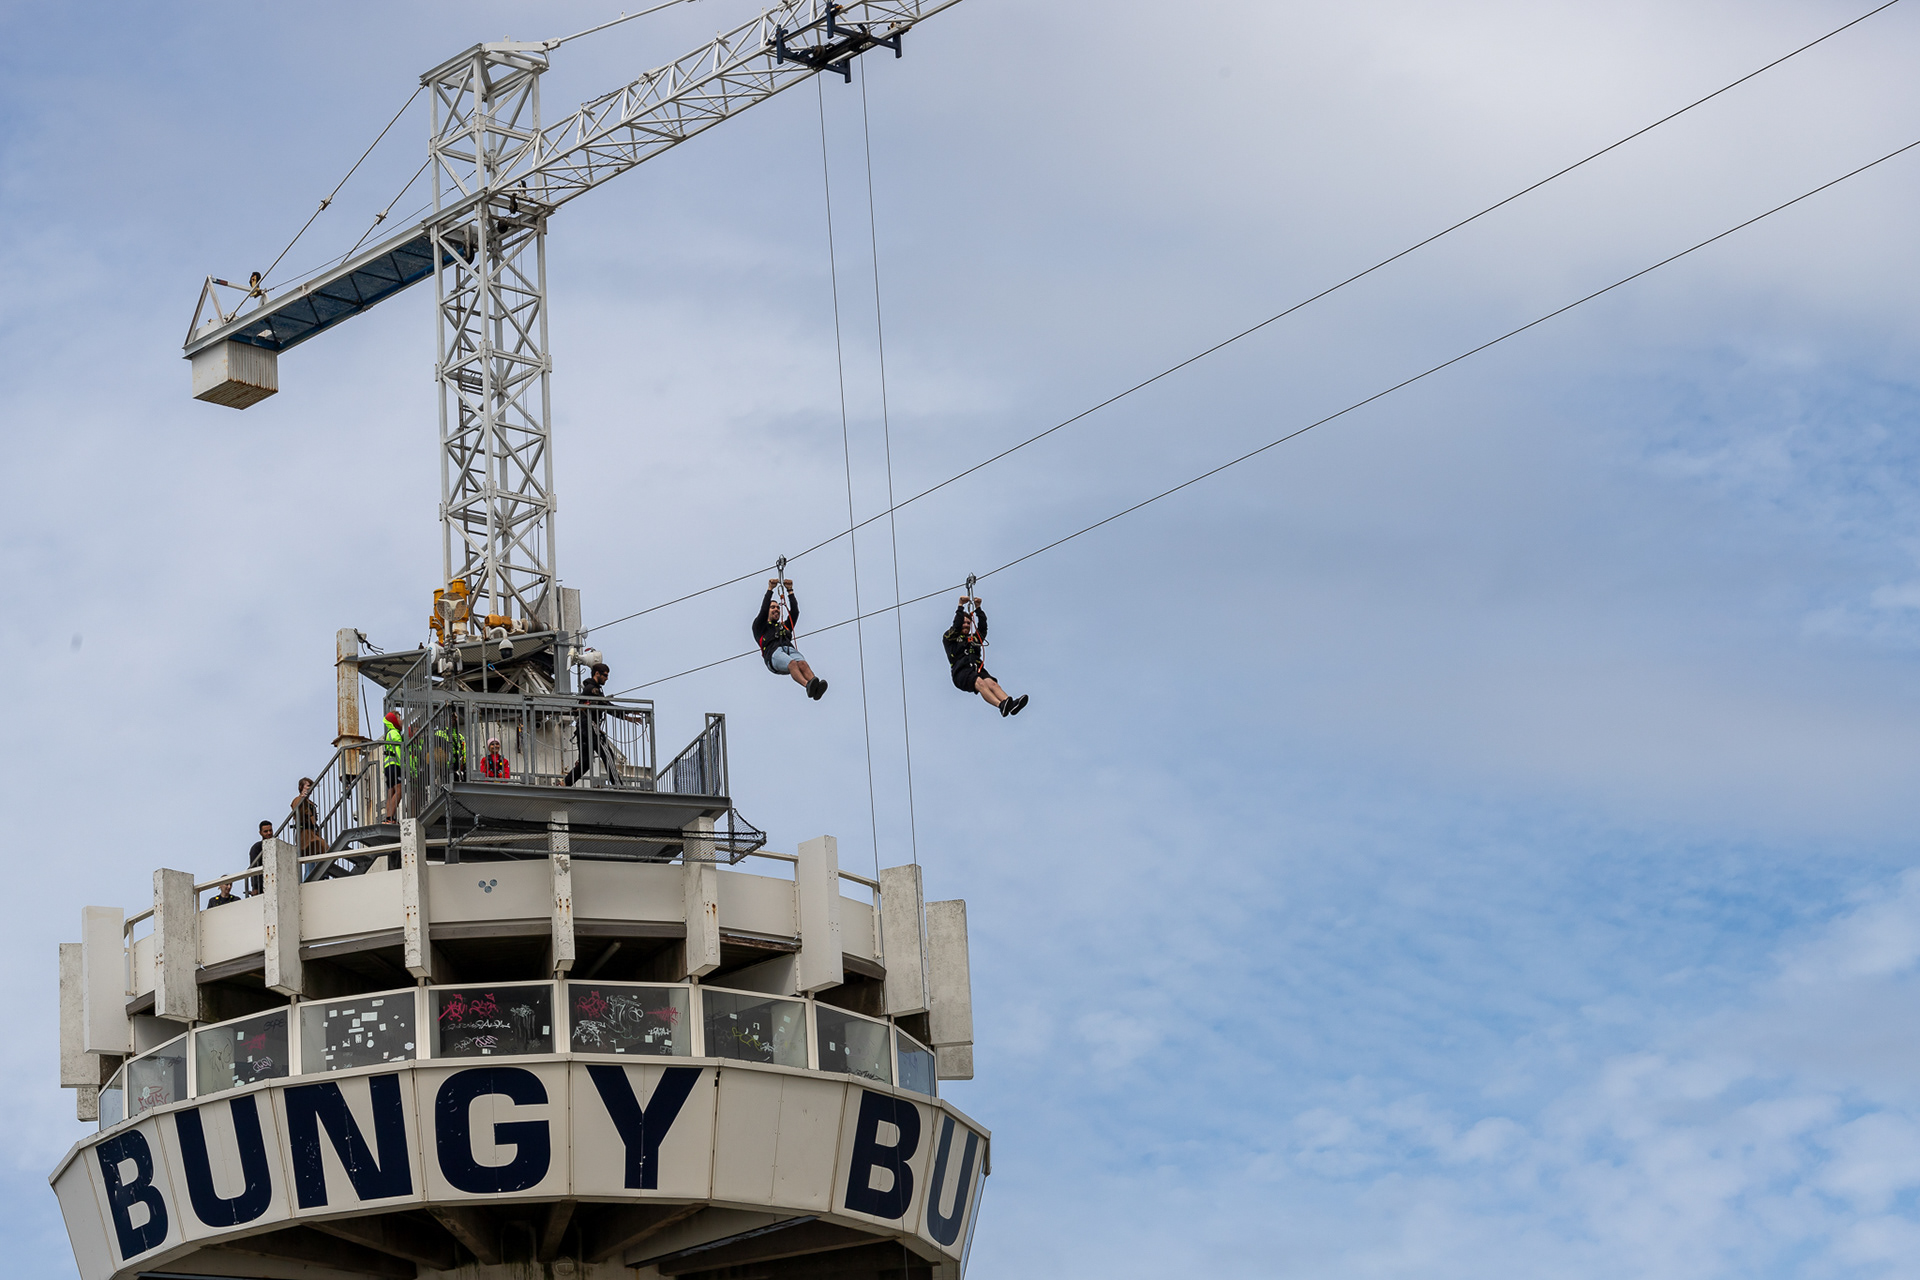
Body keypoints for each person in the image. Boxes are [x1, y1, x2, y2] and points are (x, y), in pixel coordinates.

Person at [945, 595, 1027, 717]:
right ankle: (1000, 706)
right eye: (964, 623)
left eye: (968, 623)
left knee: (992, 684)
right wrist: (960, 606)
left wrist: (978, 608)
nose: (966, 625)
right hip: (961, 672)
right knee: (981, 683)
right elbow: (956, 626)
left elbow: (983, 628)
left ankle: (1009, 704)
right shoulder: (950, 637)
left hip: (976, 668)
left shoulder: (973, 639)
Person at [567, 661, 644, 786]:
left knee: (585, 763)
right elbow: (606, 706)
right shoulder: (593, 690)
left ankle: (565, 783)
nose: (607, 678)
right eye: (605, 675)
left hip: (582, 728)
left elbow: (604, 706)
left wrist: (626, 716)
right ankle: (618, 785)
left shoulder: (589, 689)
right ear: (597, 674)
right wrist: (629, 711)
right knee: (608, 755)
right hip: (590, 727)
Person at [753, 579, 826, 700]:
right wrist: (770, 589)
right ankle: (807, 685)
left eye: (777, 607)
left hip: (788, 649)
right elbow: (763, 610)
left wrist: (790, 591)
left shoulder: (785, 626)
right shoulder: (760, 627)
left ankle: (815, 685)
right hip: (773, 654)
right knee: (792, 663)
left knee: (802, 663)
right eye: (773, 608)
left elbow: (795, 612)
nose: (776, 609)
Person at [381, 710, 405, 822]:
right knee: (399, 790)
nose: (401, 721)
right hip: (394, 765)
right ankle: (390, 817)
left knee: (391, 792)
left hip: (388, 766)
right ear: (394, 720)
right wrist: (404, 765)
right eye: (399, 718)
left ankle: (388, 817)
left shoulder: (389, 733)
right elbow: (398, 751)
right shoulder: (394, 733)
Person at [244, 819, 272, 896]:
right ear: (260, 833)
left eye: (270, 830)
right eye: (265, 831)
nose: (269, 833)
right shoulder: (256, 848)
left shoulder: (278, 845)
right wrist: (255, 888)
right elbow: (254, 868)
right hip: (261, 885)